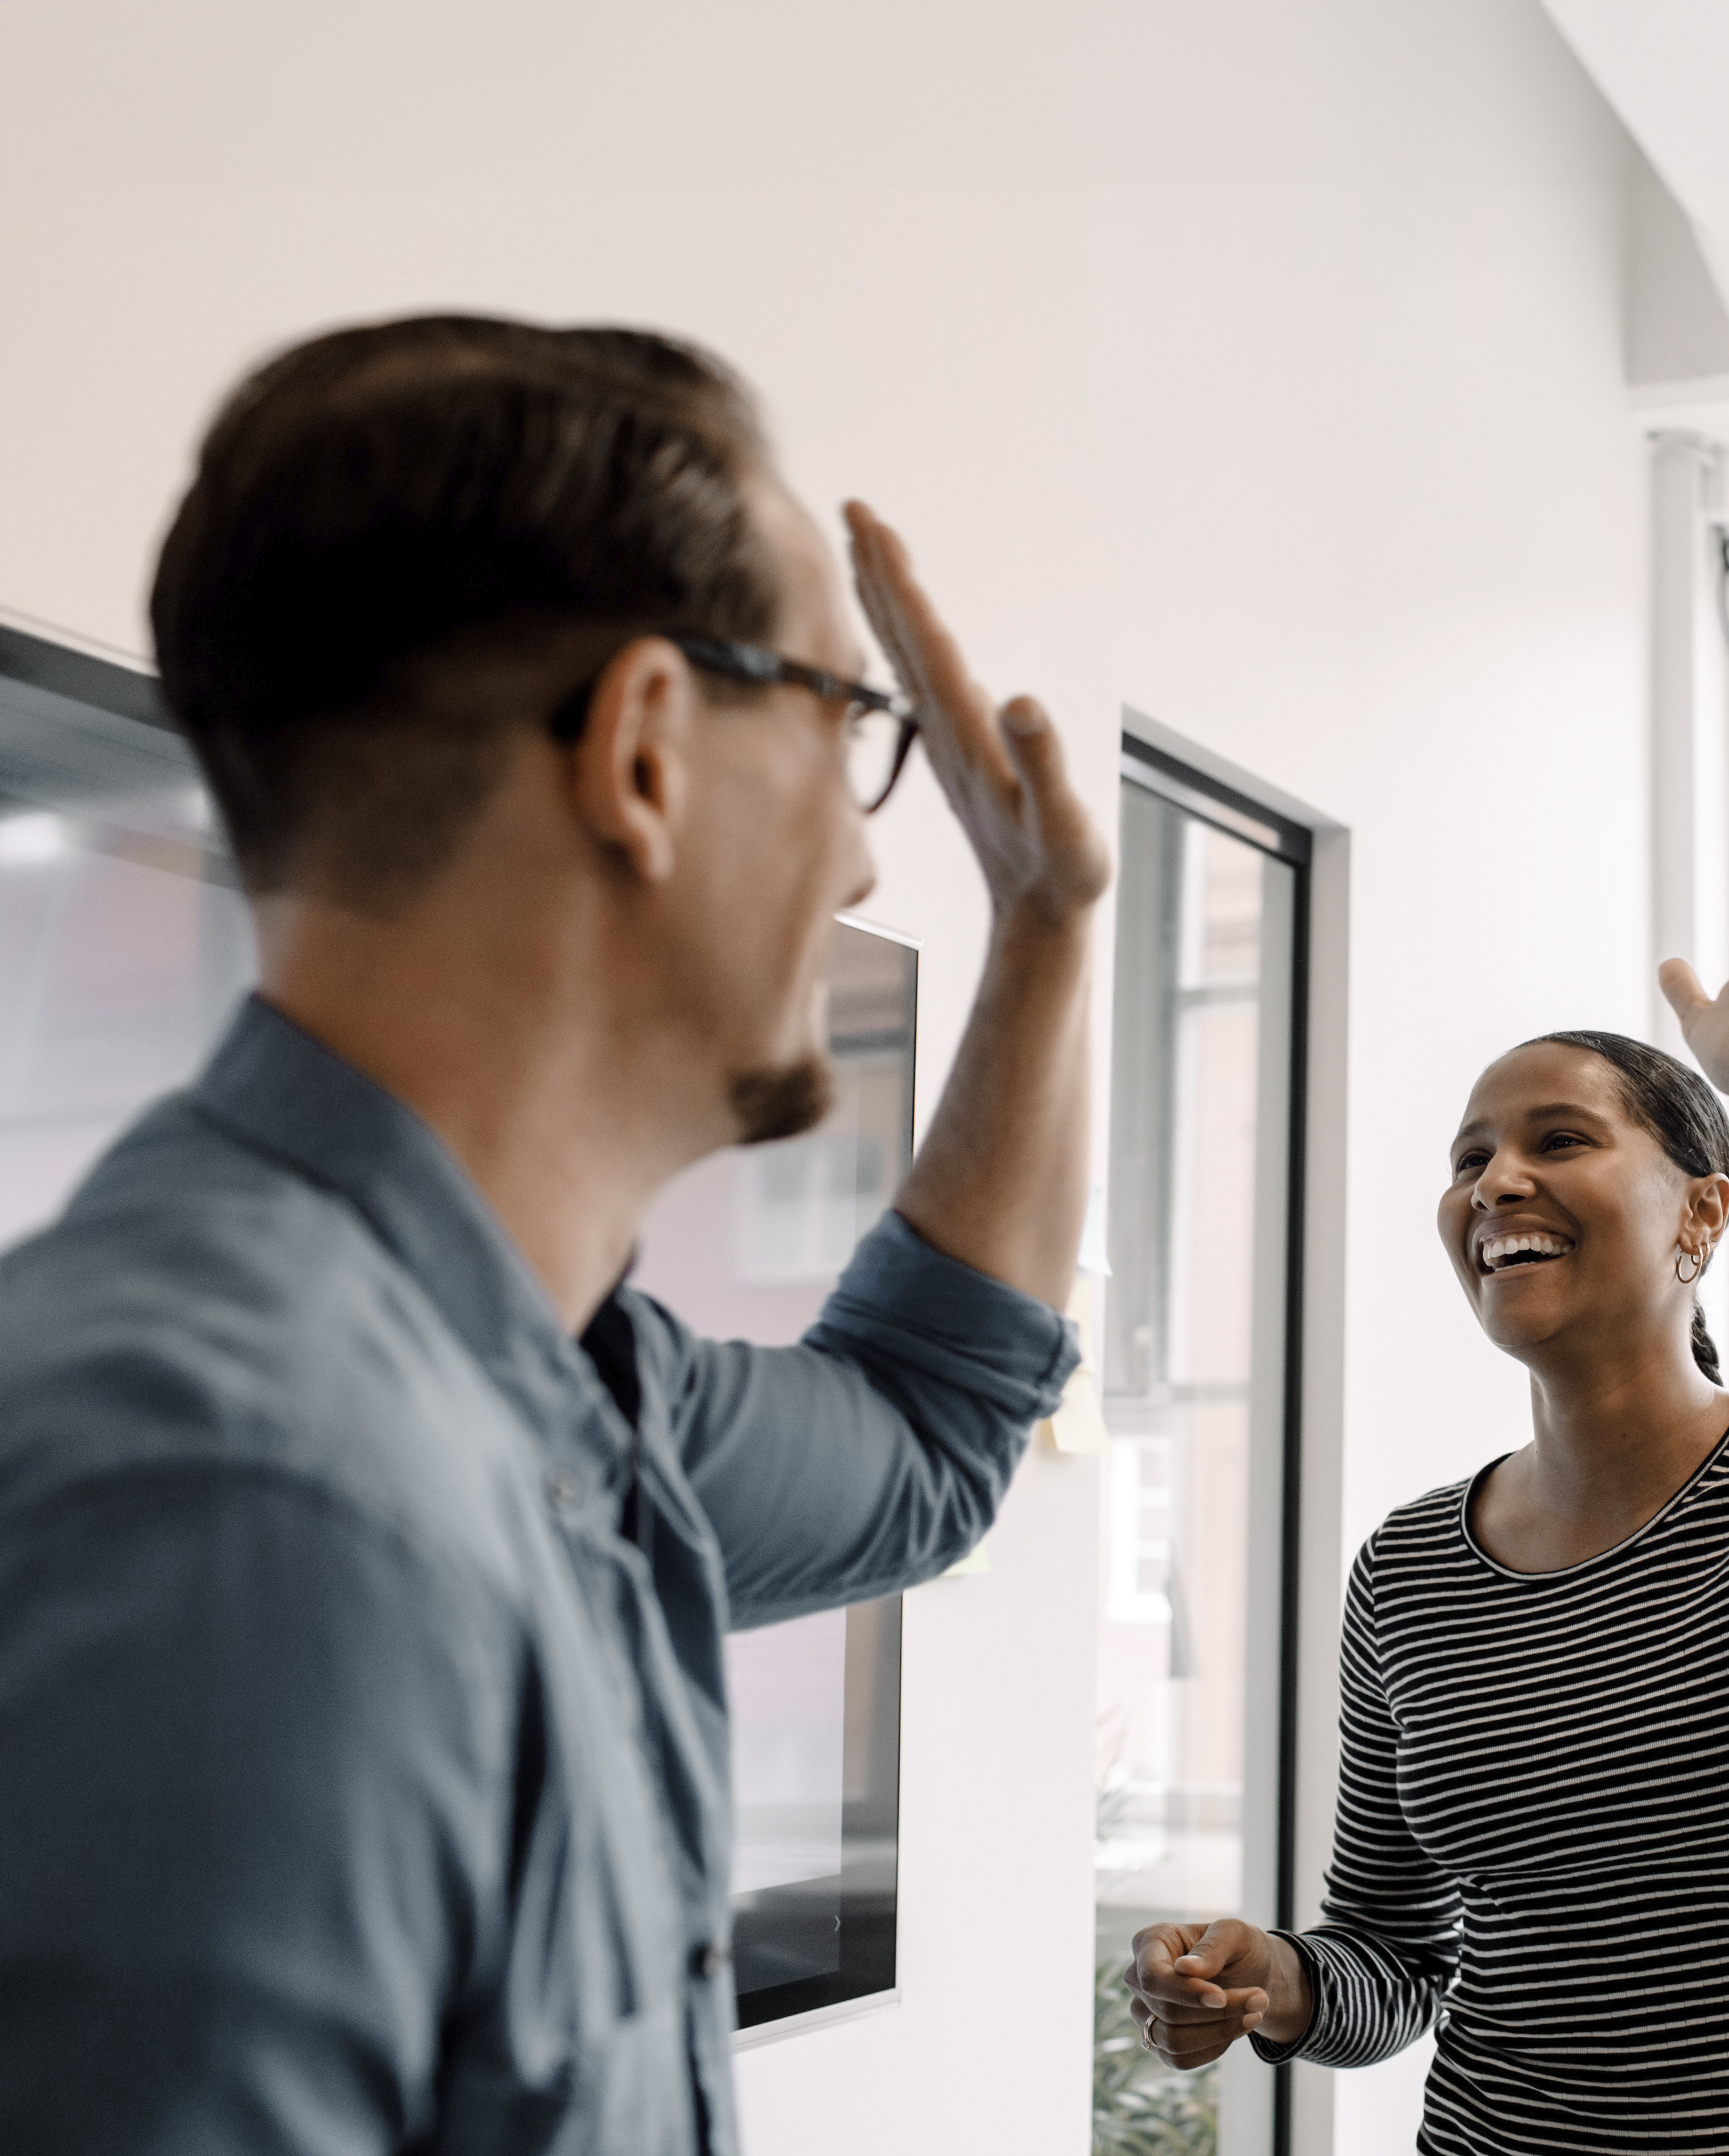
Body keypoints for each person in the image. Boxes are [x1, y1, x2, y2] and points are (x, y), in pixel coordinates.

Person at [0, 317, 1109, 2153]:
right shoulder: (245, 1499)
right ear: (647, 752)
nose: (857, 858)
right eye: (847, 726)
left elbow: (926, 1434)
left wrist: (1051, 933)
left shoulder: (571, 1387)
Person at [1126, 748, 1729, 2152]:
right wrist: (1263, 1983)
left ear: (1700, 1215)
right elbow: (1391, 1966)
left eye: (1557, 1140)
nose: (1494, 1183)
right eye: (1468, 1157)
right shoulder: (1409, 1569)